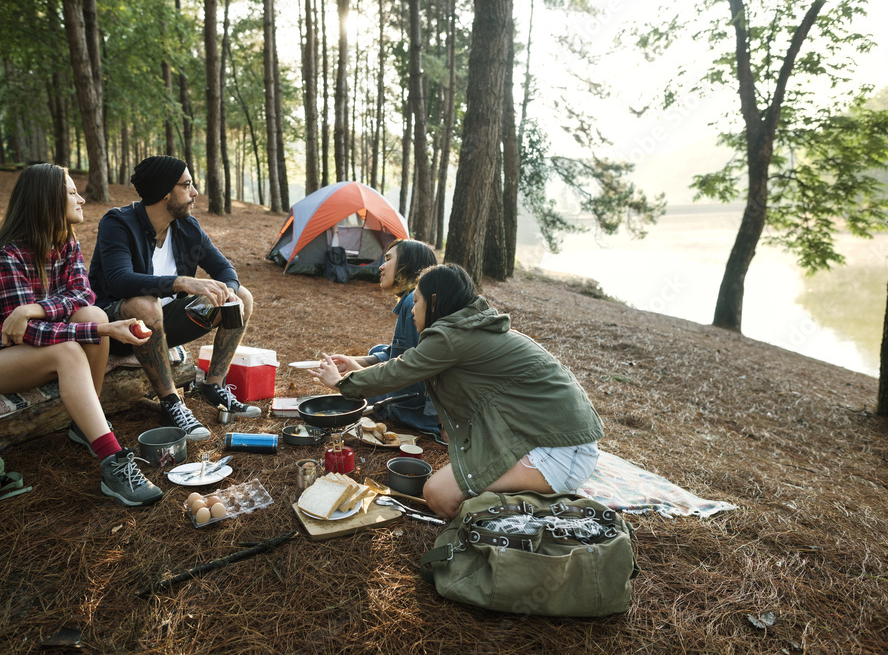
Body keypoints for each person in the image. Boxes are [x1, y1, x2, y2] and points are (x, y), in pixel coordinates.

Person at [310, 263, 603, 519]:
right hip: (554, 437)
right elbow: (406, 368)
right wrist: (358, 369)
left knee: (438, 495)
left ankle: (546, 514)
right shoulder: (467, 329)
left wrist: (341, 383)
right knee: (451, 464)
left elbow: (399, 371)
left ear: (434, 301)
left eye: (417, 301)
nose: (412, 309)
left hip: (559, 451)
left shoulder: (452, 337)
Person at [0, 163, 163, 508]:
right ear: (47, 200)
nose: (82, 198)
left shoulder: (64, 241)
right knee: (72, 347)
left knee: (93, 312)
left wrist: (33, 308)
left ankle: (84, 426)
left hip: (40, 341)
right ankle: (112, 461)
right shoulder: (7, 255)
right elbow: (30, 336)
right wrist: (100, 330)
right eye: (71, 192)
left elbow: (84, 296)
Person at [88, 155, 260, 443]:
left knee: (241, 296)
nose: (194, 193)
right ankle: (171, 403)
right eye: (188, 185)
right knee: (145, 303)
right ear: (165, 192)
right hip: (120, 329)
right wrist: (180, 282)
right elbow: (120, 280)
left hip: (167, 324)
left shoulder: (187, 227)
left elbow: (224, 269)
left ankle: (214, 386)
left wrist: (227, 290)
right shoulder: (118, 223)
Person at [325, 238, 440, 436]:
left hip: (412, 412)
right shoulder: (411, 300)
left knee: (346, 402)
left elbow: (414, 373)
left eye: (388, 259)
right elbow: (400, 353)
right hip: (409, 402)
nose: (381, 266)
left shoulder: (412, 304)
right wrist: (354, 361)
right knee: (376, 351)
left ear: (408, 265)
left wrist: (355, 379)